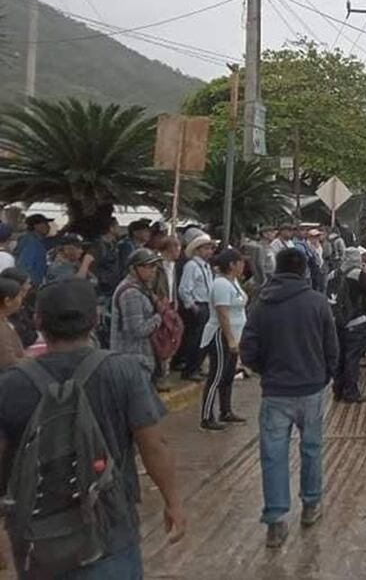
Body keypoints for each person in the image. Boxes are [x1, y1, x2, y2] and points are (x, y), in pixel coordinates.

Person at [0, 278, 185, 576]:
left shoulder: (10, 383)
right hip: (109, 529)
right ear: (96, 319)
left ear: (38, 321)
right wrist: (173, 503)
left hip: (36, 538)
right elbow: (154, 445)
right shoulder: (123, 371)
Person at [240, 247, 339, 548]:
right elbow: (331, 347)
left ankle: (275, 520)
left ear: (277, 269)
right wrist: (324, 375)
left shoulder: (262, 304)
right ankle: (310, 505)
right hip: (310, 389)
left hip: (275, 391)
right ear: (303, 271)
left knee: (273, 455)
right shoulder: (318, 303)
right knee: (311, 449)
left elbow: (248, 349)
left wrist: (265, 371)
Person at [199, 249, 248, 431]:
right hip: (221, 335)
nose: (243, 266)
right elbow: (222, 314)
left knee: (228, 375)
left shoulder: (233, 282)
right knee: (216, 375)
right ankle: (207, 416)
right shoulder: (220, 284)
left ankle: (225, 410)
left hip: (235, 334)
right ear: (232, 265)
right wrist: (230, 339)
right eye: (240, 262)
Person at [331, 247, 366, 404]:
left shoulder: (334, 273)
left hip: (337, 322)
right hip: (356, 321)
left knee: (340, 356)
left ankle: (337, 389)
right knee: (352, 358)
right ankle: (351, 392)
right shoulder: (358, 274)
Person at [109, 248, 164, 376]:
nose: (153, 270)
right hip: (133, 361)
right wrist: (159, 317)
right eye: (149, 266)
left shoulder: (140, 288)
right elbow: (138, 330)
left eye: (154, 266)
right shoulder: (131, 293)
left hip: (138, 359)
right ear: (133, 269)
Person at [177, 234, 215, 381]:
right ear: (197, 250)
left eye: (211, 248)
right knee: (195, 339)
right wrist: (192, 305)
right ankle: (190, 368)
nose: (210, 251)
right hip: (198, 305)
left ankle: (196, 366)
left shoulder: (206, 266)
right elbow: (184, 288)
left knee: (203, 338)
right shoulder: (192, 266)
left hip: (207, 304)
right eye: (206, 248)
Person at [14, 213, 51, 285]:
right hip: (30, 285)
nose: (48, 226)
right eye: (45, 223)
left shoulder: (38, 240)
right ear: (36, 226)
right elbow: (24, 266)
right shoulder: (30, 241)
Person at [0, 277, 26, 368]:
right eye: (19, 296)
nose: (22, 300)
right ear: (7, 301)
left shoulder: (4, 320)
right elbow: (8, 362)